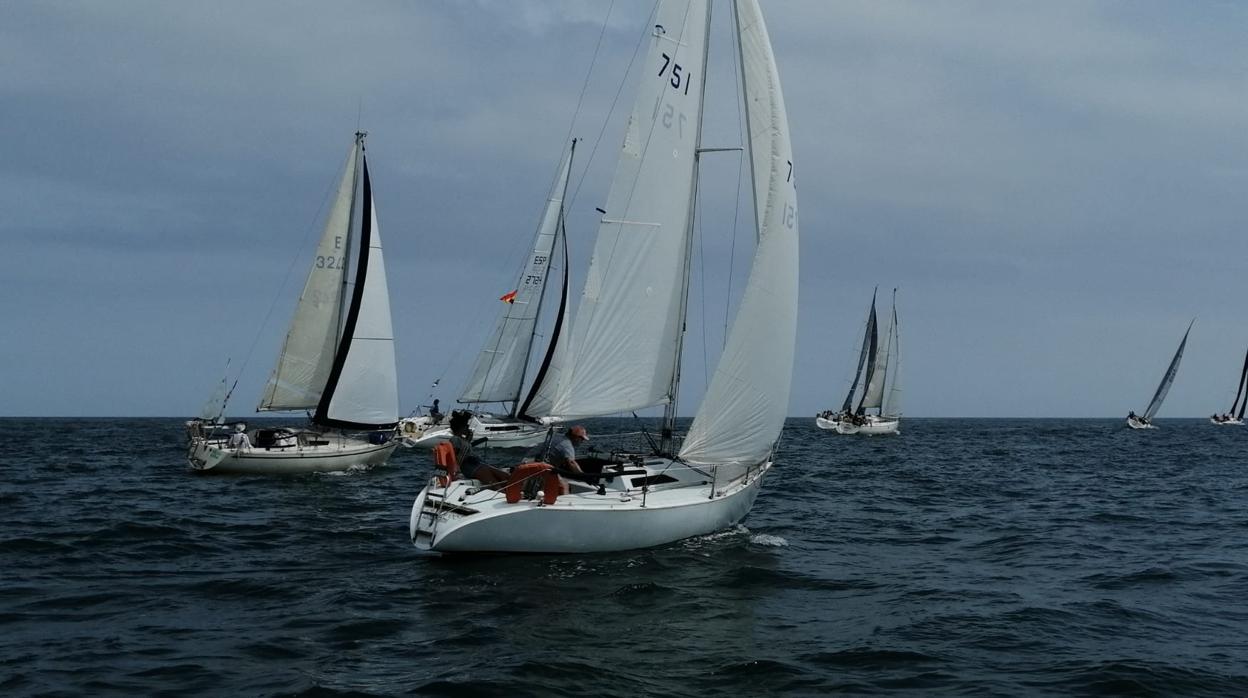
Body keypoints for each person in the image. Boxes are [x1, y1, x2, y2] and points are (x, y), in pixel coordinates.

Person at [448, 411, 508, 486]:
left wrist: (468, 438)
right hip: (468, 466)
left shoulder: (463, 439)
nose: (468, 428)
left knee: (504, 476)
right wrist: (456, 473)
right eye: (466, 426)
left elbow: (465, 449)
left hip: (476, 463)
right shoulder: (455, 439)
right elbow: (454, 457)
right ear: (461, 427)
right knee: (494, 482)